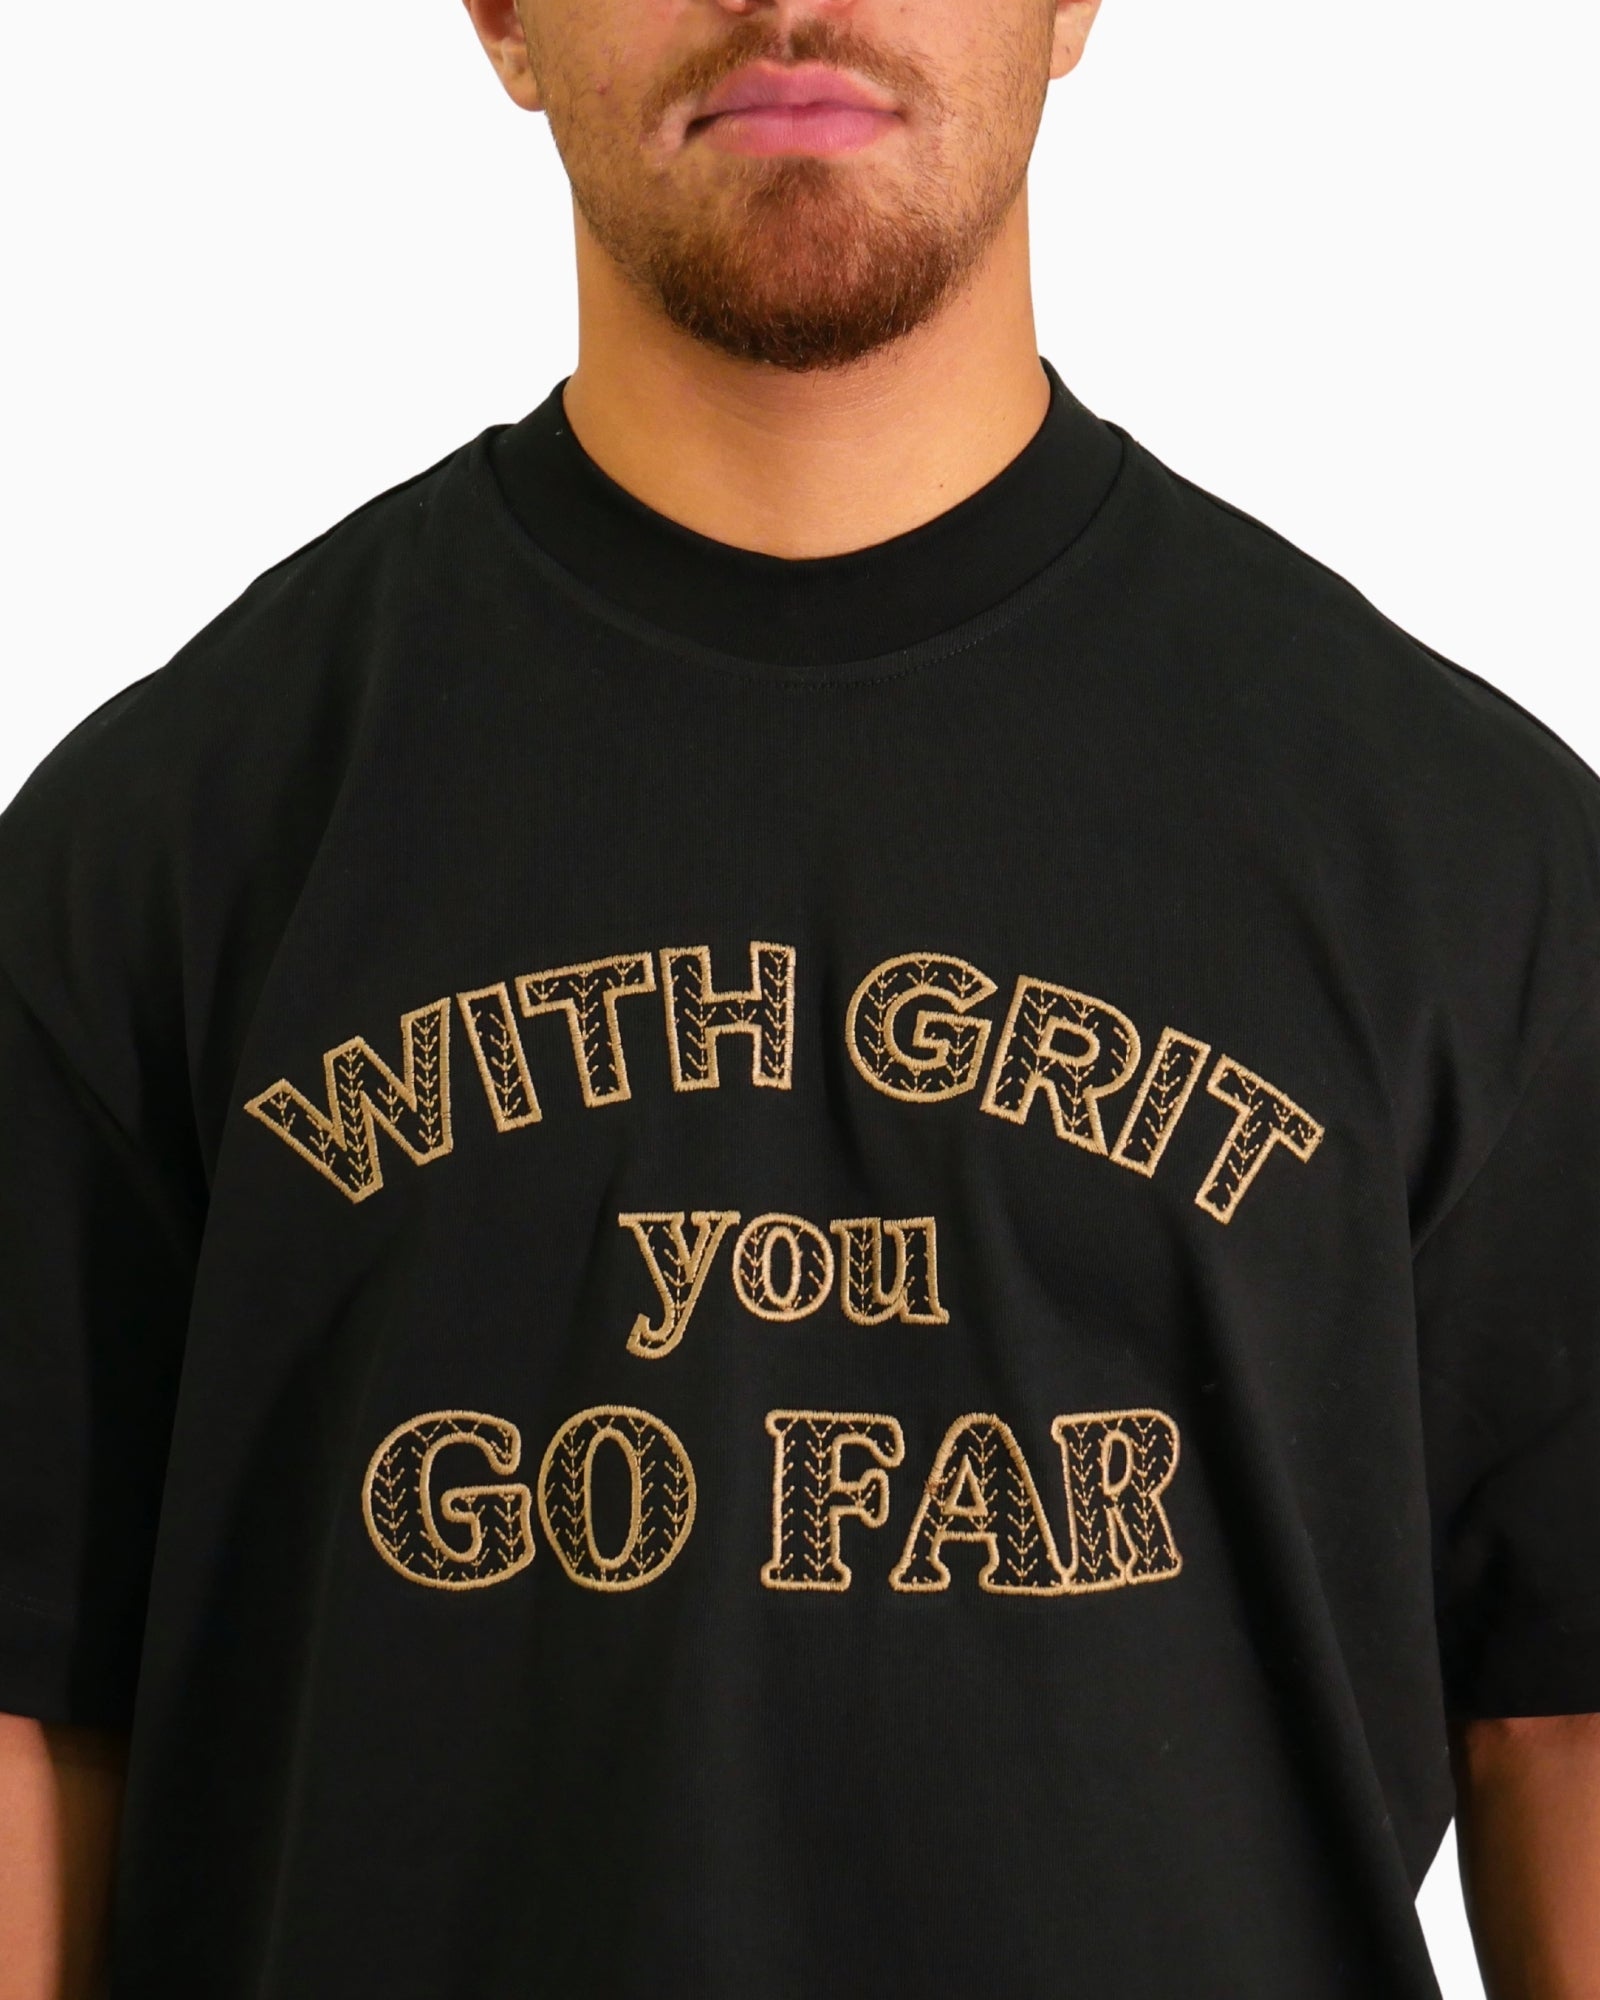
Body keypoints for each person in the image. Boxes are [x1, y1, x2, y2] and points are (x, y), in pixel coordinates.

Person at [1, 0, 1596, 1991]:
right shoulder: (161, 853)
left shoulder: (1473, 863)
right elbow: (37, 1714)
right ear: (500, 16)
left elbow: (1558, 1718)